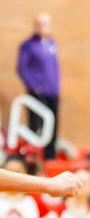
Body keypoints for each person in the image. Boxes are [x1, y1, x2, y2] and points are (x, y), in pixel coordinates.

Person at [16, 13, 61, 160]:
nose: (43, 27)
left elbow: (55, 67)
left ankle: (50, 157)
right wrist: (34, 87)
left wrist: (56, 85)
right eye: (40, 24)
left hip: (53, 91)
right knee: (36, 124)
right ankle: (31, 157)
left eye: (46, 24)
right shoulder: (28, 45)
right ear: (35, 26)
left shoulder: (51, 44)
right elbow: (22, 68)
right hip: (37, 92)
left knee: (53, 123)